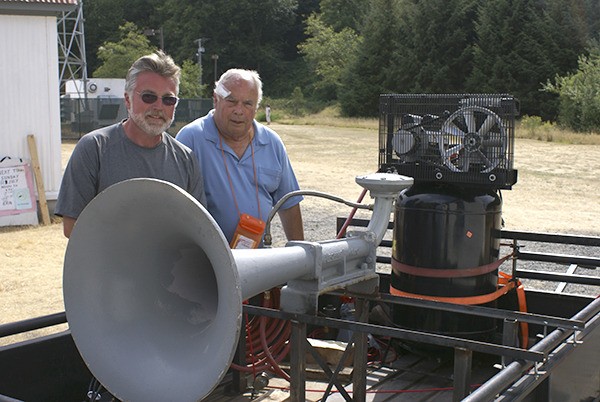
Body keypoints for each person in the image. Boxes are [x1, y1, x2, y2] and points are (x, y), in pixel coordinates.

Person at [55, 51, 206, 238]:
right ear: (127, 99)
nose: (158, 107)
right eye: (149, 97)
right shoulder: (94, 149)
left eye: (168, 99)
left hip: (169, 267)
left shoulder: (185, 159)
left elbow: (197, 229)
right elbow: (72, 226)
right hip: (109, 266)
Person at [176, 69, 303, 247]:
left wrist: (301, 257)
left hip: (258, 258)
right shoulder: (191, 138)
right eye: (231, 101)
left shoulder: (272, 143)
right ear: (215, 99)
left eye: (247, 104)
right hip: (206, 260)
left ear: (256, 107)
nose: (239, 111)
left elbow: (289, 204)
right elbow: (175, 208)